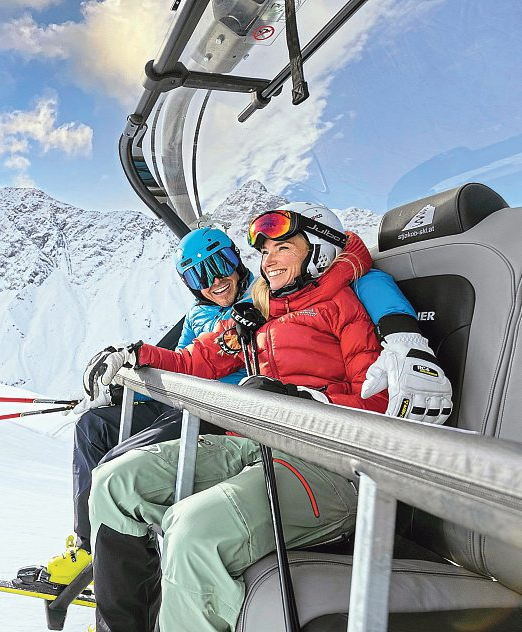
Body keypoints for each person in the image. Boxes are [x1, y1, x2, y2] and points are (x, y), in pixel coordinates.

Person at [84, 203, 452, 632]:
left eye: (283, 248)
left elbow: (380, 408)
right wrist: (136, 354)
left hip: (327, 462)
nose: (268, 260)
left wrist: (304, 398)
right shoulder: (262, 313)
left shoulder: (345, 308)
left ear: (317, 250)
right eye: (264, 252)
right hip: (253, 440)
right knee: (115, 483)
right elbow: (196, 359)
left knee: (193, 531)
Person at [45, 227, 253, 584]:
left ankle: (132, 573)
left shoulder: (259, 302)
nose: (214, 280)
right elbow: (175, 365)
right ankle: (88, 546)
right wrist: (122, 394)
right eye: (199, 274)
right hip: (180, 403)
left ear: (236, 259)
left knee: (116, 466)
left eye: (220, 263)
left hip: (215, 411)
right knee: (93, 427)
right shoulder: (197, 315)